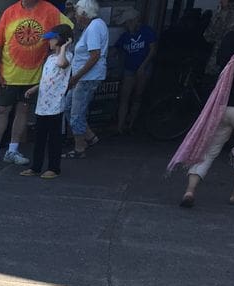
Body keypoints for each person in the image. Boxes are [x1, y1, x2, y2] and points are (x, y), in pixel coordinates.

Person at [0, 0, 71, 167]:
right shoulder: (10, 12)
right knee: (2, 110)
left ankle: (13, 150)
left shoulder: (49, 10)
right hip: (9, 74)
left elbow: (68, 30)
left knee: (23, 110)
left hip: (32, 76)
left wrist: (59, 51)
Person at [171, 30, 234, 207]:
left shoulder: (230, 37)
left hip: (222, 105)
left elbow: (218, 62)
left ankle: (190, 190)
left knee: (208, 150)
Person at [21, 24, 74, 178]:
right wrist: (35, 88)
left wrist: (64, 47)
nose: (49, 42)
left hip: (55, 105)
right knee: (40, 138)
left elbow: (62, 64)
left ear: (60, 40)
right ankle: (36, 166)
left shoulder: (66, 56)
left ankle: (53, 167)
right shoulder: (50, 58)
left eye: (52, 39)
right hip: (42, 105)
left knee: (54, 138)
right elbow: (47, 78)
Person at [64, 0, 108, 160]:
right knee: (67, 106)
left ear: (84, 13)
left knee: (76, 112)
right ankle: (90, 137)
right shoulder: (94, 26)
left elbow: (94, 55)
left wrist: (76, 77)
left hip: (86, 77)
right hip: (85, 76)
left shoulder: (95, 27)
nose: (75, 16)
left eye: (76, 13)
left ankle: (79, 147)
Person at [114, 9, 158, 134]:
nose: (125, 25)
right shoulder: (125, 36)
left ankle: (131, 124)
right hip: (129, 69)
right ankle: (120, 126)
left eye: (126, 23)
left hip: (144, 69)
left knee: (137, 96)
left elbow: (152, 50)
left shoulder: (147, 31)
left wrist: (143, 67)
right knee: (124, 97)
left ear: (132, 21)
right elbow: (116, 50)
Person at [204, 0, 234, 76]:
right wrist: (222, 10)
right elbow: (208, 36)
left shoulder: (233, 11)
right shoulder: (222, 9)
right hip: (215, 66)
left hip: (231, 69)